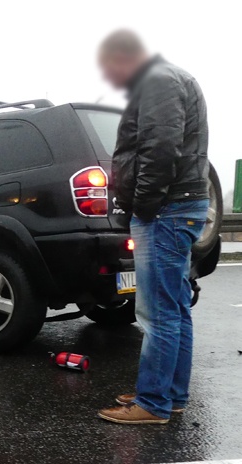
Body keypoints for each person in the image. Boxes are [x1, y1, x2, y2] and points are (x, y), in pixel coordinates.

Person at [95, 31, 210, 425]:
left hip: (166, 210)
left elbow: (160, 147)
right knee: (175, 307)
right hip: (180, 206)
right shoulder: (171, 77)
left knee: (157, 312)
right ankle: (170, 394)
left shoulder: (157, 80)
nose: (113, 79)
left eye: (112, 68)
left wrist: (143, 205)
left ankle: (153, 403)